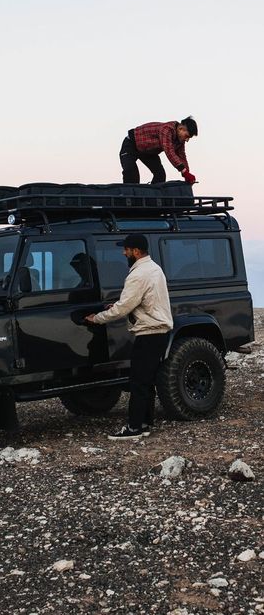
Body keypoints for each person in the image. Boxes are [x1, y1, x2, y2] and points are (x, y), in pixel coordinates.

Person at [84, 234, 173, 440]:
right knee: (147, 380)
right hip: (159, 331)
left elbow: (124, 307)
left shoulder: (138, 274)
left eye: (126, 249)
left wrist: (97, 318)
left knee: (138, 382)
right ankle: (145, 423)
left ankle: (134, 428)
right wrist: (117, 305)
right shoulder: (154, 268)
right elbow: (138, 300)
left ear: (135, 251)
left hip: (149, 332)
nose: (124, 253)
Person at [119, 116, 198, 184]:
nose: (186, 140)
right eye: (186, 136)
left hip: (148, 152)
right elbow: (169, 151)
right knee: (131, 174)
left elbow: (182, 157)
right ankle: (128, 199)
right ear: (181, 128)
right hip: (131, 145)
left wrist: (187, 173)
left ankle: (153, 199)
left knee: (160, 174)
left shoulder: (180, 141)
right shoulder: (167, 129)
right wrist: (184, 171)